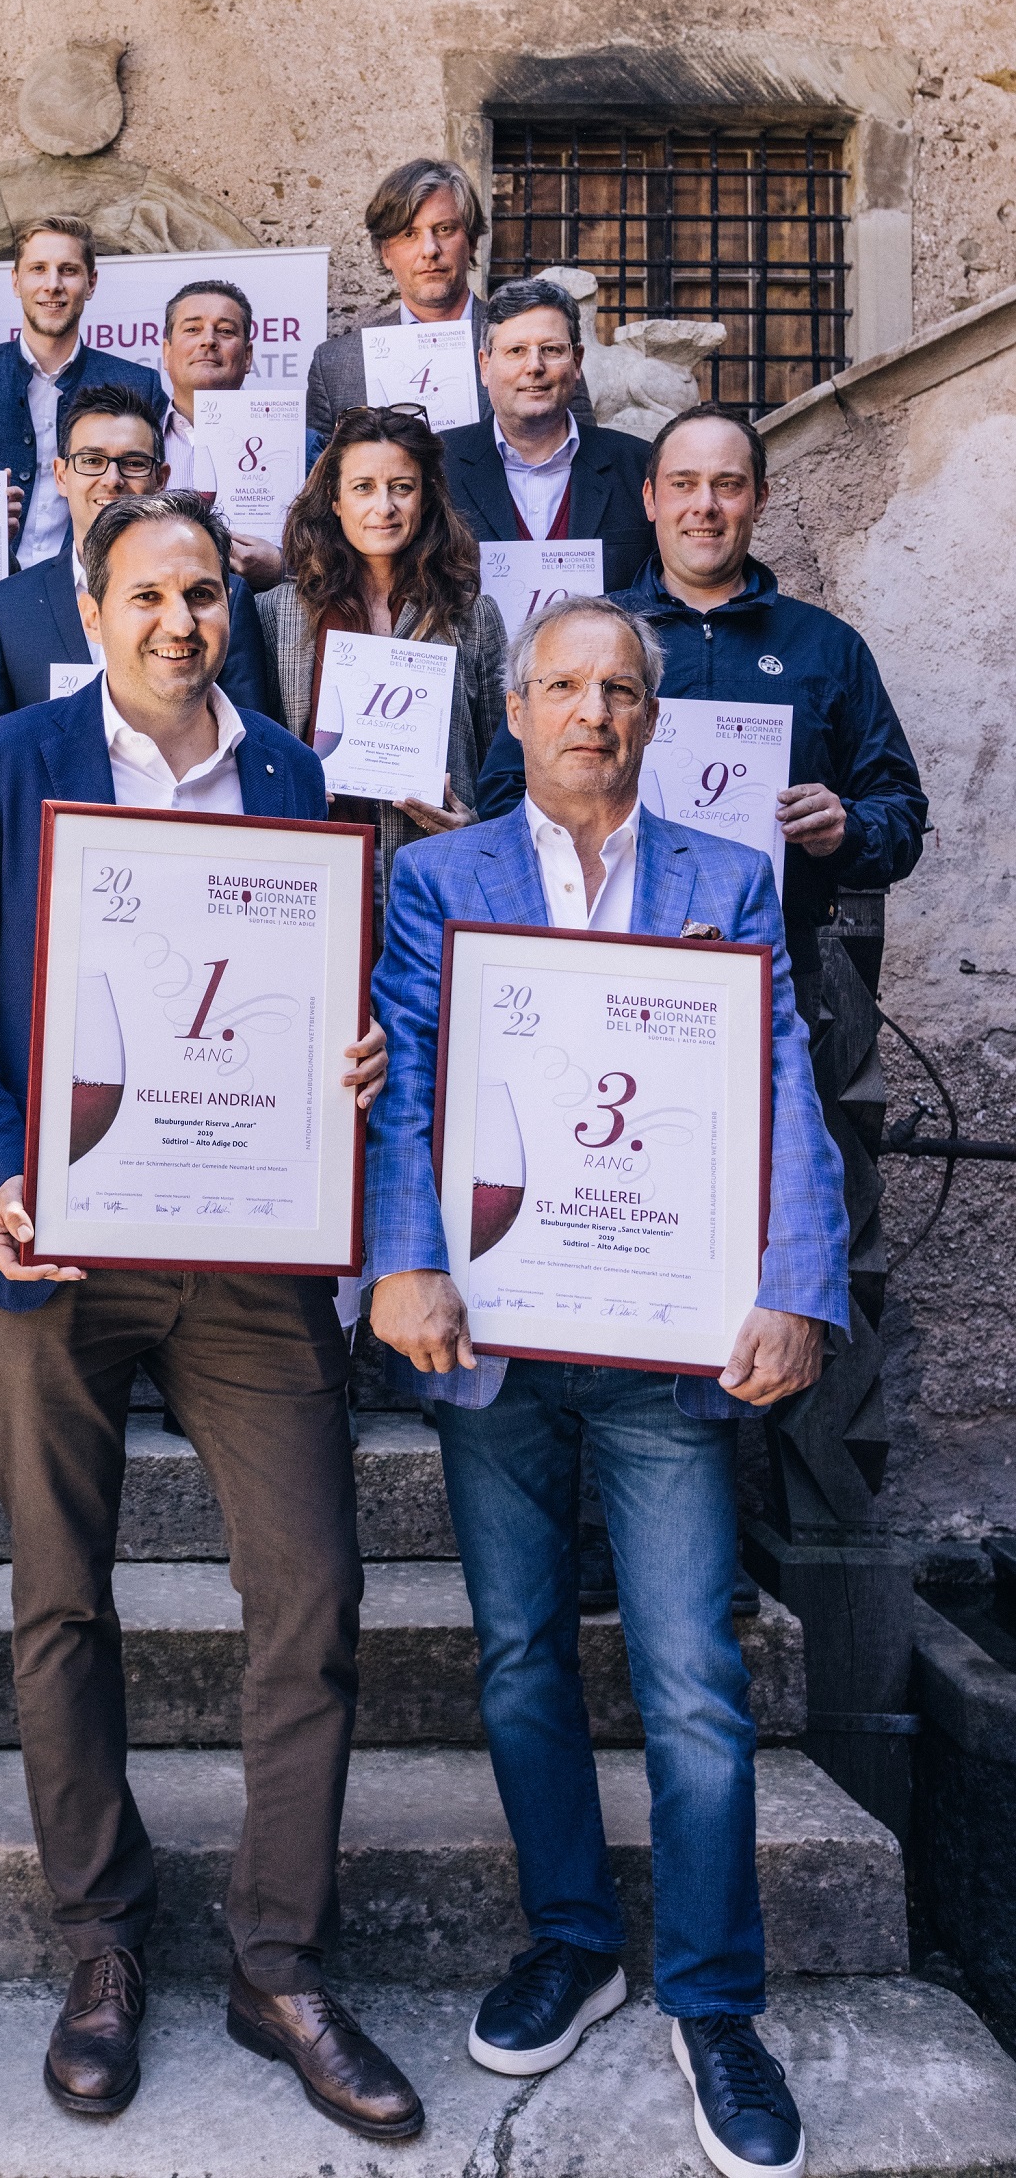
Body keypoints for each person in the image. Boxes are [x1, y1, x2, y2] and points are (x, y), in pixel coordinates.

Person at [0, 493, 421, 2142]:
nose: (181, 620)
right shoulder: (9, 765)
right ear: (91, 606)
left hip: (250, 1257)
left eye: (202, 592)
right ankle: (102, 1938)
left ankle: (277, 1959)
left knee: (313, 1589)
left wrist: (353, 1049)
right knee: (61, 1596)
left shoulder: (292, 775)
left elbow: (317, 995)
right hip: (57, 1247)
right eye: (148, 594)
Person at [366, 595, 850, 2178]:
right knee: (519, 1656)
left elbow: (781, 1081)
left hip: (665, 1341)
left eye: (623, 689)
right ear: (515, 711)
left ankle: (714, 1999)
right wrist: (402, 1257)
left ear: (654, 715)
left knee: (693, 1675)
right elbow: (407, 1077)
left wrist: (797, 1281)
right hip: (495, 1327)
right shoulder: (440, 877)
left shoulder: (727, 878)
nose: (595, 712)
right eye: (566, 685)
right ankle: (574, 1938)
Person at [475, 403, 928, 985]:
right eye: (683, 484)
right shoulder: (585, 635)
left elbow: (900, 814)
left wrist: (845, 832)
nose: (704, 506)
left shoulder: (827, 647)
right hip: (598, 953)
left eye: (728, 485)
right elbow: (504, 792)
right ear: (650, 499)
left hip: (773, 965)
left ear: (760, 500)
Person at [258, 407, 505, 932]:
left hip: (435, 878)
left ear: (426, 497)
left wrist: (472, 827)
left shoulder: (473, 617)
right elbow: (253, 757)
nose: (384, 507)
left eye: (402, 488)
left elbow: (503, 769)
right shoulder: (277, 612)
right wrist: (292, 791)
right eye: (363, 488)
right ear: (335, 499)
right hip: (309, 879)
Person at [0, 386, 273, 724]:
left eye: (133, 463)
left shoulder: (224, 599)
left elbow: (248, 733)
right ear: (61, 476)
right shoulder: (5, 607)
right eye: (92, 461)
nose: (112, 479)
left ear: (161, 479)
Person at [0, 216, 165, 565]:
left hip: (95, 578)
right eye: (38, 269)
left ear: (91, 283)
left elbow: (158, 496)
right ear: (16, 281)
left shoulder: (139, 385)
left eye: (68, 270)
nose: (53, 285)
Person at [438, 276, 654, 593]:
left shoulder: (639, 466)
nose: (534, 366)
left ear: (577, 362)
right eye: (516, 350)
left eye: (551, 349)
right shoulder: (436, 466)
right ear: (485, 366)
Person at [306, 157, 490, 443]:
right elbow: (318, 470)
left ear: (473, 241)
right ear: (385, 253)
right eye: (409, 234)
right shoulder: (335, 366)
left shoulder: (524, 348)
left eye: (444, 229)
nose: (429, 250)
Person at [159, 277, 285, 588]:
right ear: (166, 352)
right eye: (192, 329)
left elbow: (332, 549)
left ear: (248, 356)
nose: (208, 341)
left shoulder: (297, 445)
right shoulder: (135, 444)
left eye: (225, 331)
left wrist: (284, 567)